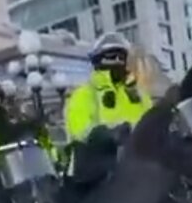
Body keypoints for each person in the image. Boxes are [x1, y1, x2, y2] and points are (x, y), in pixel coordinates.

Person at [63, 32, 154, 187]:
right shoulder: (84, 94)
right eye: (112, 57)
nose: (118, 61)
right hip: (96, 174)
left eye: (121, 57)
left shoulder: (139, 95)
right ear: (99, 60)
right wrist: (108, 134)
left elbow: (154, 124)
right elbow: (79, 129)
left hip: (140, 169)